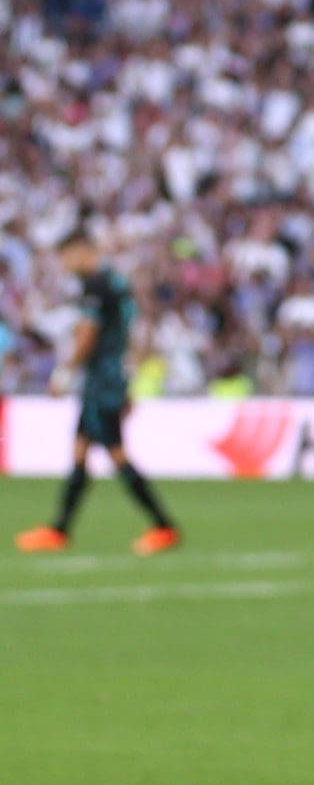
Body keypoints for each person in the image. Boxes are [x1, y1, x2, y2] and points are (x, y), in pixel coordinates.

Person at [16, 226, 180, 555]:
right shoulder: (116, 283)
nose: (63, 264)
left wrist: (64, 373)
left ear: (80, 250)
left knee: (116, 453)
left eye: (65, 256)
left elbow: (88, 334)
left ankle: (163, 526)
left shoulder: (96, 285)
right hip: (110, 378)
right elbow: (128, 334)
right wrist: (126, 381)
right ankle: (59, 529)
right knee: (80, 451)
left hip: (101, 382)